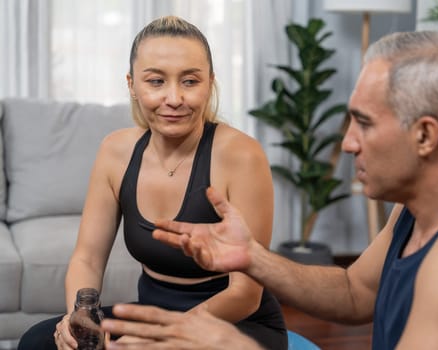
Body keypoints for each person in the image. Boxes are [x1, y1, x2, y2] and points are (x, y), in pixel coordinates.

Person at [100, 30, 438, 349]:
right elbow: (354, 293)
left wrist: (233, 344)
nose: (348, 143)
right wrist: (254, 259)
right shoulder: (416, 212)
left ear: (425, 136)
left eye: (365, 122)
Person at [18, 15, 287, 350]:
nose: (173, 98)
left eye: (190, 82)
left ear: (210, 82)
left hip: (233, 323)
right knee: (38, 342)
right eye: (156, 81)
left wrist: (160, 337)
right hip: (153, 314)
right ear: (132, 84)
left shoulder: (241, 155)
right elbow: (87, 258)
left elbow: (245, 295)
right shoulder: (115, 151)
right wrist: (81, 316)